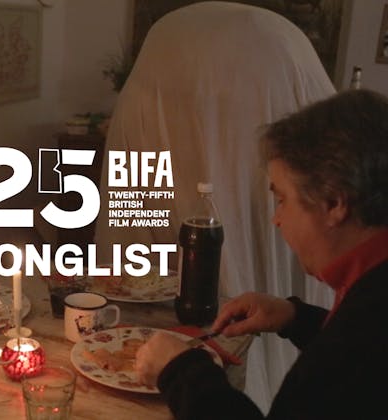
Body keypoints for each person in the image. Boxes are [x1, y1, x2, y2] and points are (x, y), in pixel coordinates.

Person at [93, 2, 336, 405]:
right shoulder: (280, 38)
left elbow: (130, 212)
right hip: (286, 322)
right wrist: (295, 315)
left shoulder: (172, 37)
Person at [135, 88, 388, 419]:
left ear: (334, 203)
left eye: (282, 199)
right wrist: (296, 318)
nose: (276, 218)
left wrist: (180, 371)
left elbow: (351, 357)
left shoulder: (365, 329)